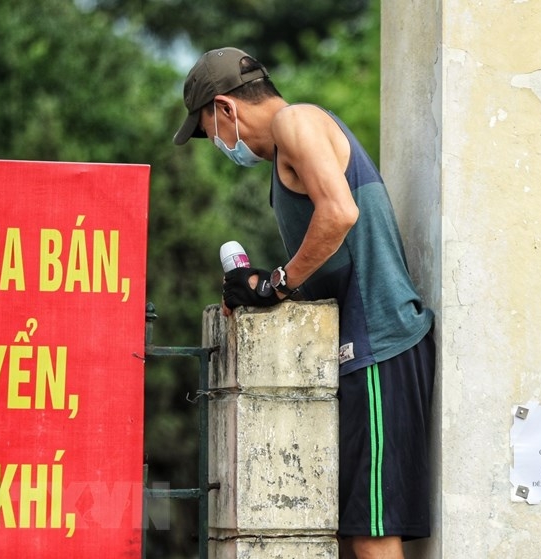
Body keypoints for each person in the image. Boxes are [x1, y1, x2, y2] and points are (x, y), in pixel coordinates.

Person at [173, 47, 435, 559]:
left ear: (225, 108)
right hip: (359, 354)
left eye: (208, 132)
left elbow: (339, 215)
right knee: (347, 529)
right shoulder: (287, 153)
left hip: (379, 344)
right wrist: (256, 290)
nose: (217, 145)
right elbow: (326, 250)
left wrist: (277, 284)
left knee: (371, 530)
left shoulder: (297, 122)